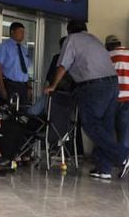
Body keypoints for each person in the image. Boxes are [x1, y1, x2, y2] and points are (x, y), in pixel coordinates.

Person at [45, 20, 129, 180]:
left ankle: (122, 154)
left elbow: (62, 65)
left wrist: (53, 86)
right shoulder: (94, 39)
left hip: (94, 86)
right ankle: (104, 169)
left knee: (91, 124)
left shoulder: (72, 40)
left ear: (70, 31)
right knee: (106, 127)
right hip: (113, 85)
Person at [27, 36, 75, 116]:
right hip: (54, 92)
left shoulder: (73, 59)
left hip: (64, 93)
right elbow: (50, 75)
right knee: (35, 110)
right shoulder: (57, 58)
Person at [0, 22, 30, 105]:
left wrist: (29, 87)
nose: (23, 34)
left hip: (23, 86)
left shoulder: (24, 49)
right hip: (10, 84)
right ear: (12, 32)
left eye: (23, 32)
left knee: (23, 112)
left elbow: (26, 69)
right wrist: (1, 88)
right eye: (20, 32)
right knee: (10, 112)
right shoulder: (4, 46)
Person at [105, 35, 129, 148]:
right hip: (128, 98)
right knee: (125, 131)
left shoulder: (107, 56)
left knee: (107, 130)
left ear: (108, 46)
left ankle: (109, 158)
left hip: (112, 99)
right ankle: (124, 161)